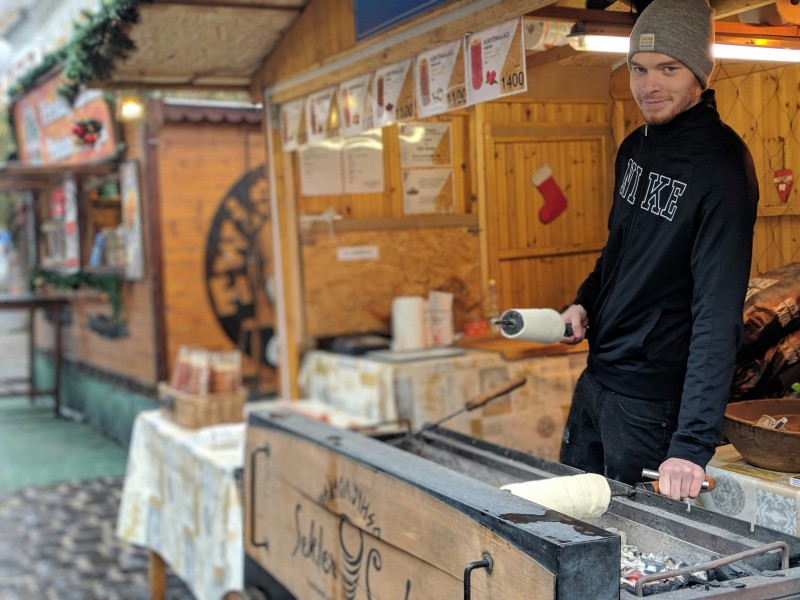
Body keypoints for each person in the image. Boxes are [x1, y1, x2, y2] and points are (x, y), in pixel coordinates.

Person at [558, 0, 759, 500]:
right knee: (568, 530)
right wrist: (585, 300)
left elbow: (717, 311)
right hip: (597, 381)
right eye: (639, 68)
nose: (650, 85)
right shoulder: (635, 146)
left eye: (669, 69)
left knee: (635, 559)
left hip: (651, 404)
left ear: (699, 73)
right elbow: (620, 251)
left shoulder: (721, 169)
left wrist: (692, 444)